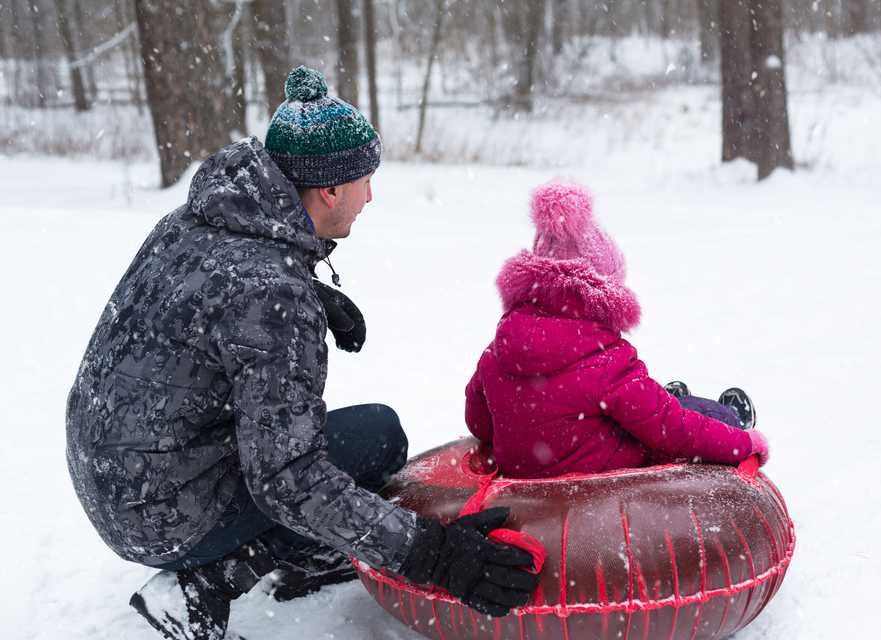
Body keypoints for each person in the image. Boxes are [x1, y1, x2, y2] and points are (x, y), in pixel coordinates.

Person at [66, 66, 537, 640]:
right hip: (160, 514)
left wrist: (309, 290)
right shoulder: (270, 293)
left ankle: (282, 554)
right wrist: (434, 554)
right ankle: (203, 584)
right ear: (330, 189)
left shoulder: (195, 221)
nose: (371, 195)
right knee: (374, 439)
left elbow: (203, 300)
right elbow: (290, 479)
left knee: (339, 445)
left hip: (108, 477)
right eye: (366, 180)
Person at [464, 181, 770, 479]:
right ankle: (731, 419)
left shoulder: (499, 350)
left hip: (527, 474)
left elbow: (478, 422)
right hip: (599, 473)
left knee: (647, 405)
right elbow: (671, 430)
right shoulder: (605, 359)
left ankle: (663, 397)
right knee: (674, 413)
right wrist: (744, 444)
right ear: (602, 293)